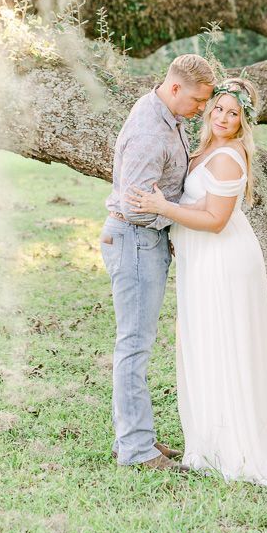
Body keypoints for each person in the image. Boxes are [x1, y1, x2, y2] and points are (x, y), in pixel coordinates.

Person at [128, 77, 267, 484]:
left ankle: (238, 447)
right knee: (206, 345)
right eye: (219, 108)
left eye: (234, 113)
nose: (224, 117)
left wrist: (162, 207)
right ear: (209, 109)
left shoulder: (229, 157)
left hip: (223, 261)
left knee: (224, 346)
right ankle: (211, 439)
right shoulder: (205, 149)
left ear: (243, 120)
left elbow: (214, 220)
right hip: (203, 262)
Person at [100, 54, 216, 470]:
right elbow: (136, 206)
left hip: (145, 241)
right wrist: (175, 220)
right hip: (135, 240)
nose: (202, 108)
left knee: (138, 344)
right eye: (198, 100)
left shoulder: (166, 113)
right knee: (134, 346)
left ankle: (133, 438)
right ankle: (135, 450)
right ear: (174, 89)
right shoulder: (152, 129)